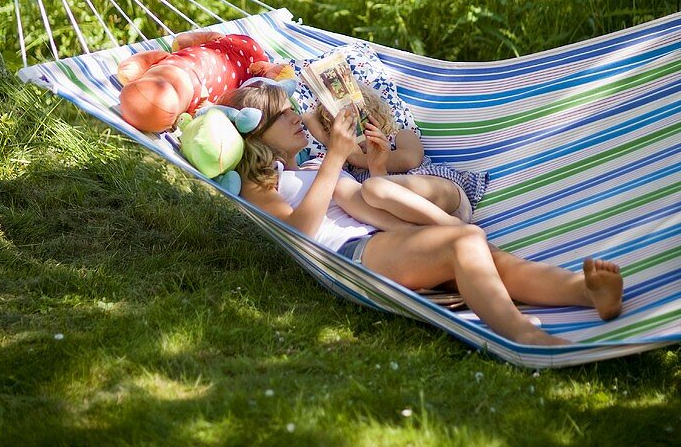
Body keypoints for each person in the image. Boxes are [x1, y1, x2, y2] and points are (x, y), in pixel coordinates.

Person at [221, 80, 624, 348]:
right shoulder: (263, 183)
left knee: (482, 254)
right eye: (280, 115)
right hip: (349, 255)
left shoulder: (311, 168)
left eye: (292, 109)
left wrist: (372, 172)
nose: (295, 117)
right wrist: (336, 156)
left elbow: (367, 206)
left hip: (380, 239)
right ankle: (520, 335)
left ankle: (584, 292)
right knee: (463, 242)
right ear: (254, 133)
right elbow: (300, 233)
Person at [303, 80, 481, 222]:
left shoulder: (400, 136)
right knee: (368, 193)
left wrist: (359, 158)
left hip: (443, 195)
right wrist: (340, 147)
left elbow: (410, 160)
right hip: (414, 222)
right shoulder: (350, 170)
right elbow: (308, 118)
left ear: (376, 116)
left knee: (374, 189)